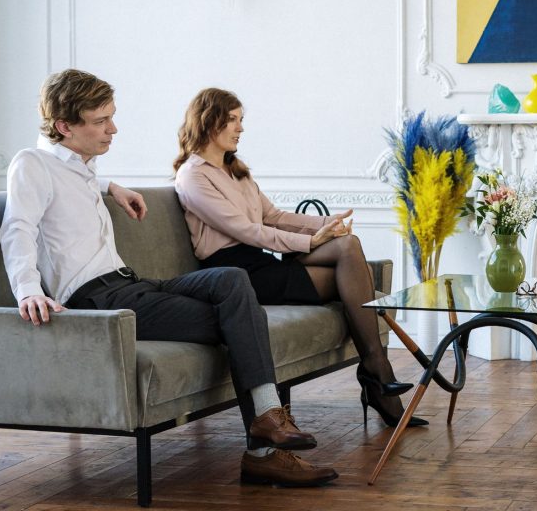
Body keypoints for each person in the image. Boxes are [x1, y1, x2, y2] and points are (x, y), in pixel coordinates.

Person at [0, 69, 337, 487]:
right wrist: (28, 289)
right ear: (64, 126)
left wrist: (111, 186)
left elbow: (70, 180)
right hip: (98, 301)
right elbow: (17, 227)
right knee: (242, 323)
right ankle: (265, 448)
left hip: (130, 283)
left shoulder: (81, 169)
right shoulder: (31, 164)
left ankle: (267, 426)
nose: (113, 128)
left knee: (231, 279)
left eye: (112, 116)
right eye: (101, 120)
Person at [171, 87, 426, 429]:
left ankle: (376, 372)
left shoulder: (237, 172)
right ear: (208, 121)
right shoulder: (193, 175)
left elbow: (273, 216)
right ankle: (378, 376)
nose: (240, 128)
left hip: (260, 263)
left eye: (240, 120)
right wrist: (307, 242)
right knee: (351, 268)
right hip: (233, 274)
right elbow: (246, 231)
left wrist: (326, 224)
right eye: (232, 120)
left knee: (348, 244)